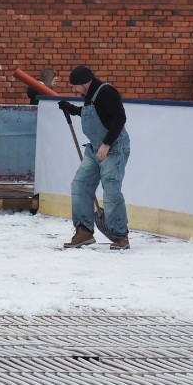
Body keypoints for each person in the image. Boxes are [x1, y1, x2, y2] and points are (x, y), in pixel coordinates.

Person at [58, 65, 131, 250]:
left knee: (111, 190)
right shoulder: (90, 95)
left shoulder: (106, 91)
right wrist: (72, 109)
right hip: (94, 149)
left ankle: (120, 236)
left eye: (75, 86)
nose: (74, 90)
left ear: (84, 83)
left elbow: (119, 117)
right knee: (80, 184)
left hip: (113, 148)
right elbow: (95, 114)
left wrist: (106, 144)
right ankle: (84, 231)